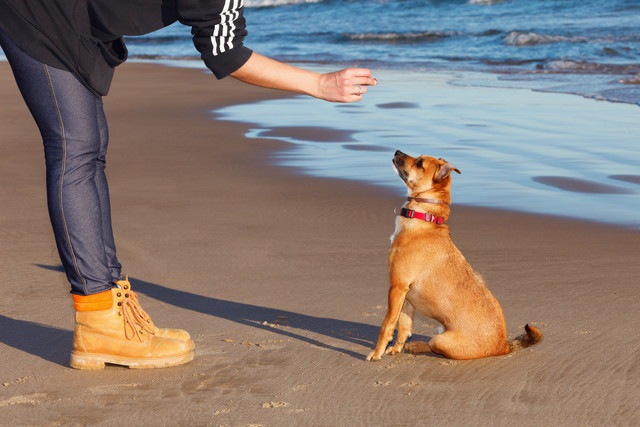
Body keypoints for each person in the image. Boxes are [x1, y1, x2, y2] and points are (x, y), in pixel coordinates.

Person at [0, 0, 377, 370]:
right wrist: (319, 83)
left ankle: (113, 304)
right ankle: (98, 320)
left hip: (72, 19)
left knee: (89, 151)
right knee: (76, 151)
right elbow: (226, 54)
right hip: (40, 13)